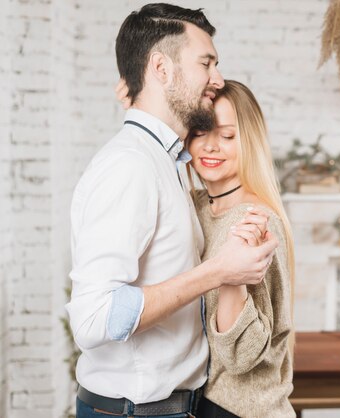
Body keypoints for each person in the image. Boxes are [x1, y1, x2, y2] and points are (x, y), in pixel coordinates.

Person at [66, 4, 278, 417]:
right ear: (161, 69)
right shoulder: (131, 166)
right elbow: (94, 319)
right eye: (206, 63)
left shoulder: (166, 161)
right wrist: (219, 272)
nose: (216, 79)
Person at [186, 80, 296, 418]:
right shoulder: (198, 205)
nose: (211, 146)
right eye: (200, 132)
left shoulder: (256, 221)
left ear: (249, 141)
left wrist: (231, 277)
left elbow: (241, 356)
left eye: (228, 136)